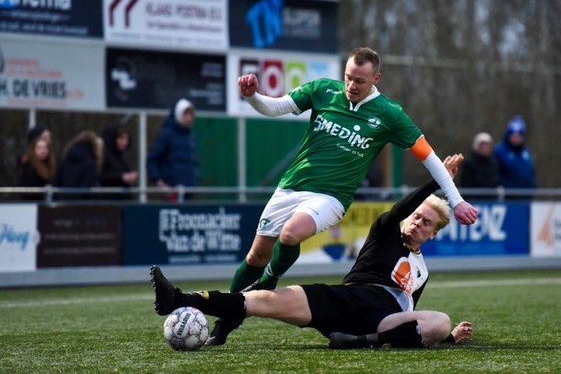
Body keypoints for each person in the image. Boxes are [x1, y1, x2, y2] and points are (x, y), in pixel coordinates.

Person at [205, 47, 478, 346]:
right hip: (291, 187)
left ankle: (268, 280)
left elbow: (428, 156)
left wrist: (456, 199)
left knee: (290, 234)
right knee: (255, 255)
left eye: (360, 80)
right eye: (348, 77)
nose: (351, 85)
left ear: (376, 78)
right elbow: (276, 107)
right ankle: (225, 321)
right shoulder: (322, 90)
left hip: (331, 197)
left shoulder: (389, 113)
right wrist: (252, 97)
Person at [150, 154, 473, 349]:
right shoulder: (386, 230)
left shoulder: (422, 271)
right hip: (345, 299)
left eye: (426, 222)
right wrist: (437, 181)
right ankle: (177, 299)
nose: (418, 222)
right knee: (263, 300)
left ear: (433, 234)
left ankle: (357, 343)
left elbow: (411, 322)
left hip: (383, 318)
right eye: (416, 216)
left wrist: (445, 337)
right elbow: (403, 206)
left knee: (441, 321)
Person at [146, 99, 198, 200]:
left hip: (188, 192)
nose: (189, 118)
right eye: (185, 114)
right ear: (178, 115)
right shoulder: (167, 135)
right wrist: (159, 182)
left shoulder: (190, 136)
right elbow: (152, 160)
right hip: (171, 193)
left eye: (190, 115)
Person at [52, 131, 103, 200]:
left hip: (63, 200)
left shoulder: (65, 160)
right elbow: (87, 186)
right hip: (81, 204)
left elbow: (56, 181)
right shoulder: (90, 163)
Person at [494, 116, 537, 196]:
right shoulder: (499, 151)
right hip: (509, 197)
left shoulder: (526, 152)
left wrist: (533, 185)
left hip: (526, 196)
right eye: (514, 135)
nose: (516, 138)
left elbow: (531, 171)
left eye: (518, 136)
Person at [98, 124, 138, 200]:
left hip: (123, 201)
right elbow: (99, 176)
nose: (125, 142)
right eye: (121, 138)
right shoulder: (102, 155)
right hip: (108, 202)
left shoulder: (121, 156)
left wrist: (130, 177)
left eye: (127, 139)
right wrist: (122, 177)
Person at [459, 132, 500, 197]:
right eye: (482, 145)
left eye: (487, 145)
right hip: (473, 199)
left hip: (491, 200)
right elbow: (465, 183)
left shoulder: (494, 162)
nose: (485, 148)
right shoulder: (469, 163)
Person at [18, 135, 56, 201]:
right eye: (39, 148)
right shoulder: (29, 167)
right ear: (33, 150)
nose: (43, 151)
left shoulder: (49, 166)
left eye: (45, 148)